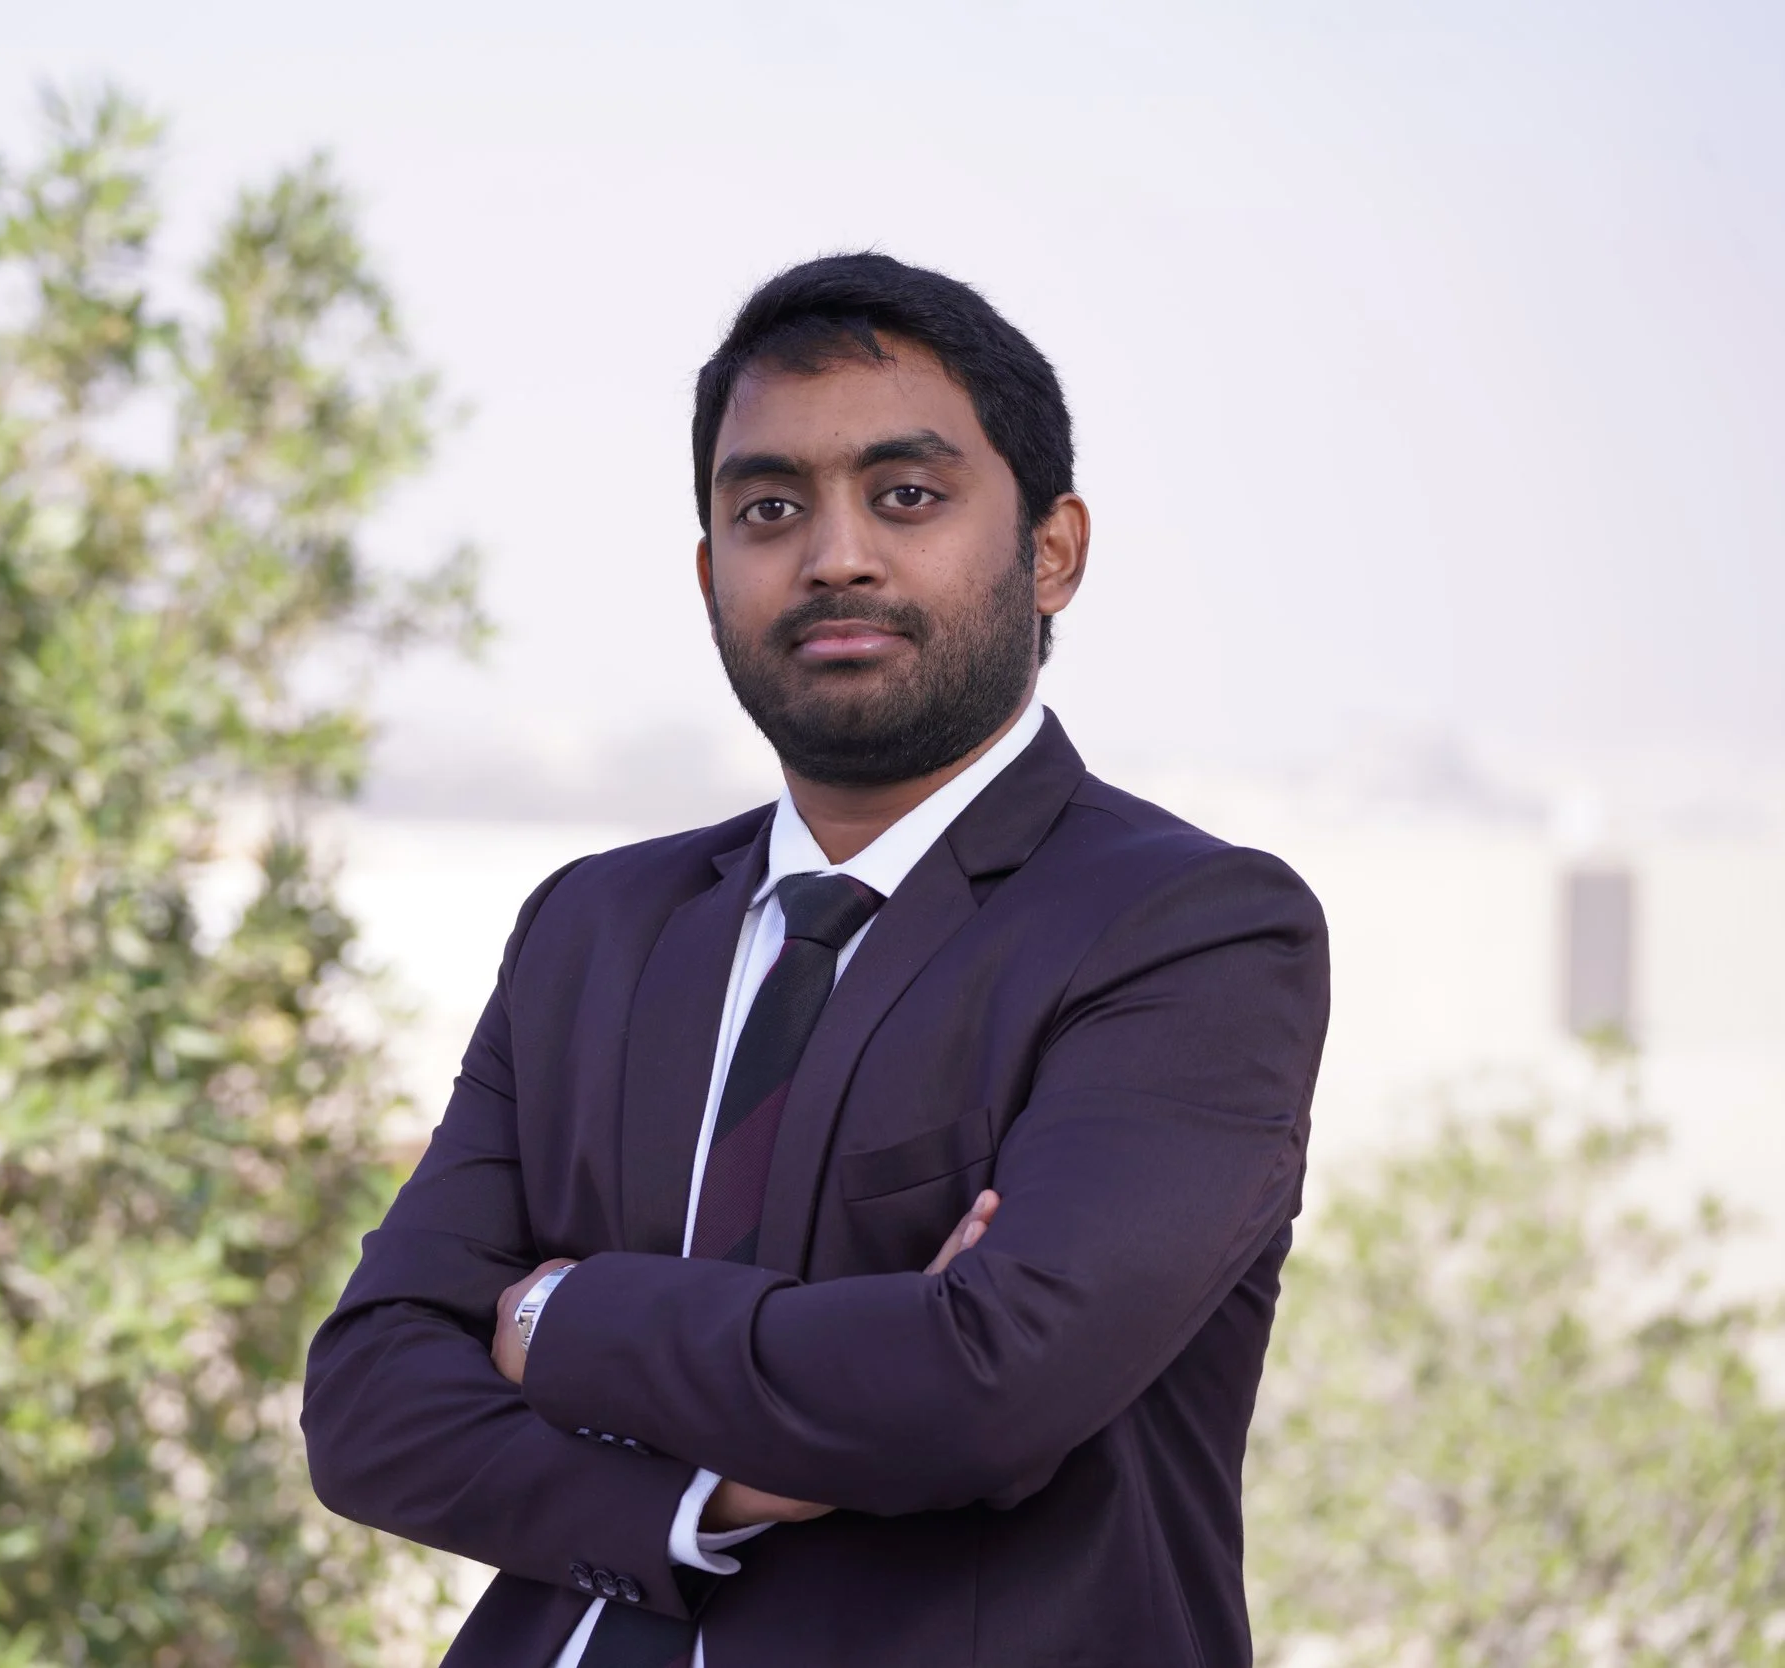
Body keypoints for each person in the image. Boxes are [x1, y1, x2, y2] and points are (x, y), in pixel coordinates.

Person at [302, 252, 1331, 1668]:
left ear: (1052, 550)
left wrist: (558, 1315)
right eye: (769, 507)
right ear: (711, 568)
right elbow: (368, 1405)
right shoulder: (593, 928)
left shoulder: (1189, 932)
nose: (834, 552)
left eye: (906, 496)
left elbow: (980, 1386)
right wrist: (711, 1492)